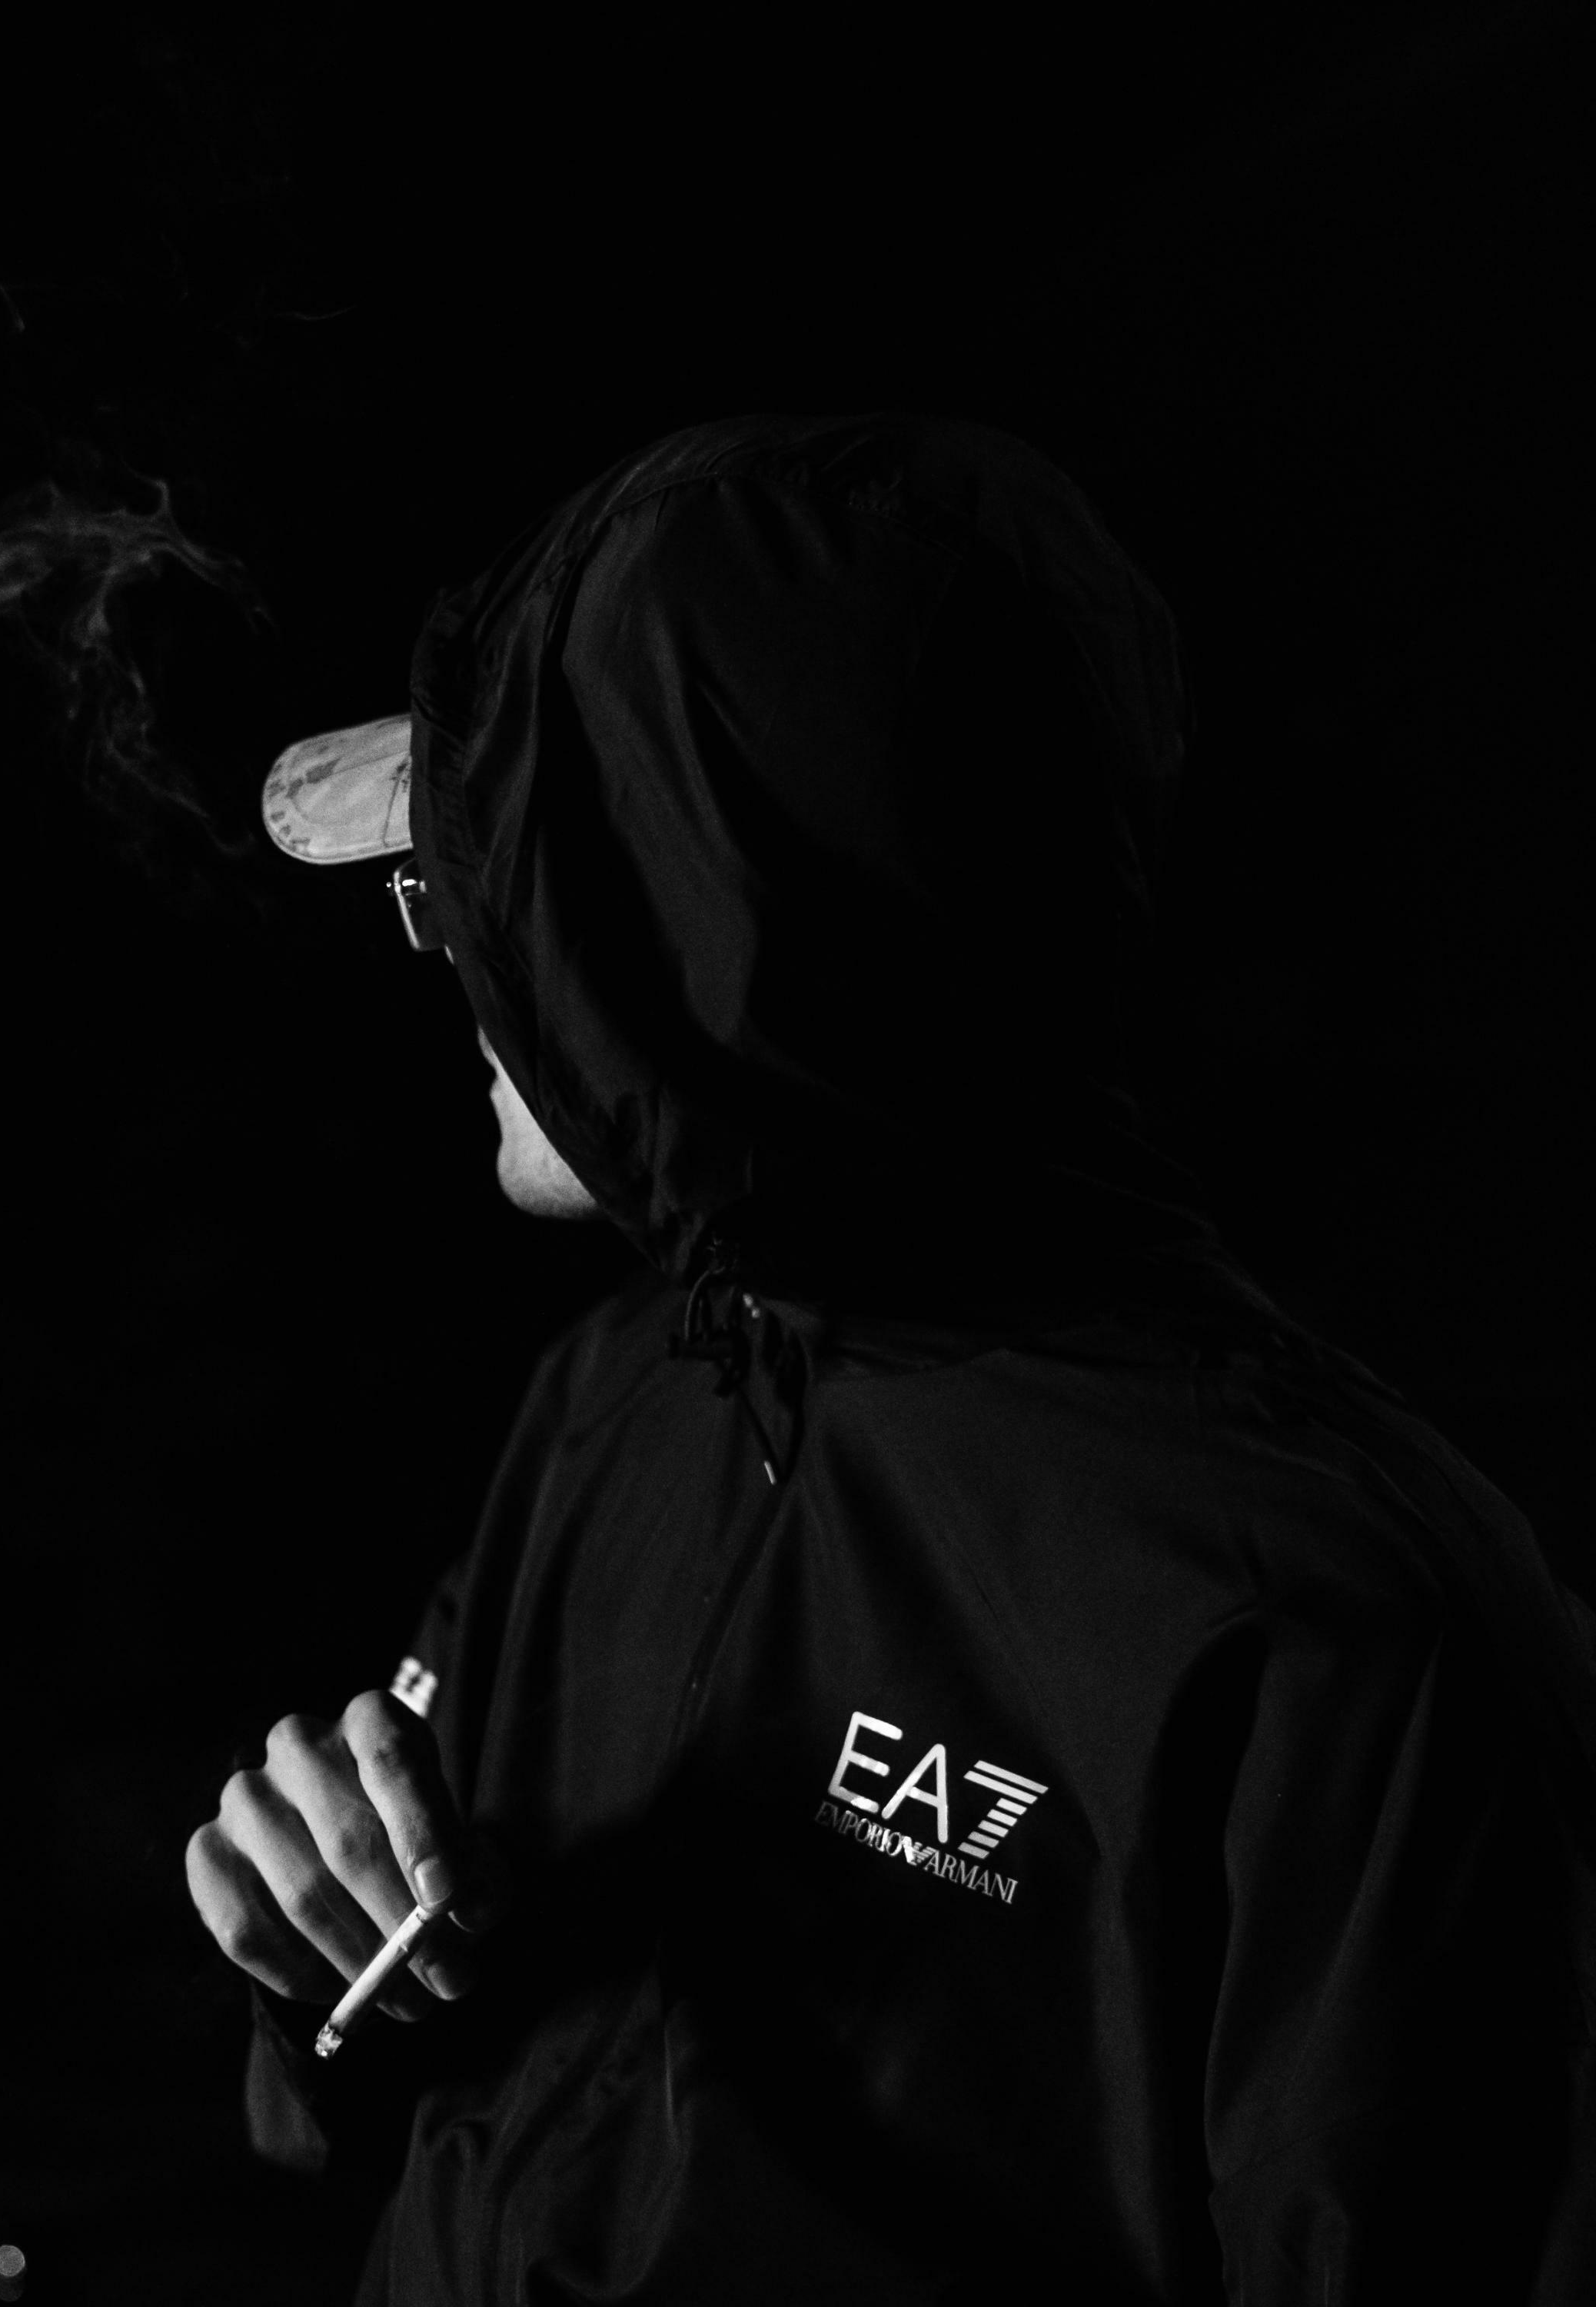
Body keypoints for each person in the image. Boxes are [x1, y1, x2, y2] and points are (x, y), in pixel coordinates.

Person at [184, 413, 1596, 2302]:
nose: (436, 951)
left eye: (493, 885)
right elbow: (440, 2097)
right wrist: (316, 1959)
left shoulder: (1336, 1638)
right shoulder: (616, 1398)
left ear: (707, 917)